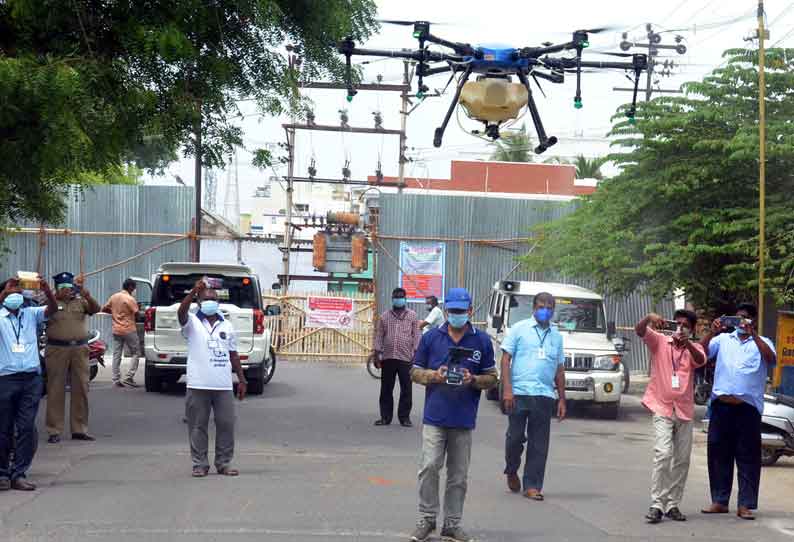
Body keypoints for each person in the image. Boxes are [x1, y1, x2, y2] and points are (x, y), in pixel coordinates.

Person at [409, 288, 497, 542]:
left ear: (470, 311)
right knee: (429, 467)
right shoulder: (431, 338)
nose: (457, 315)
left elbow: (492, 378)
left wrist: (474, 379)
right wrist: (433, 376)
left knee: (458, 475)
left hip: (463, 418)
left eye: (461, 311)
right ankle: (427, 519)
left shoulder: (481, 341)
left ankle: (452, 523)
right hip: (435, 416)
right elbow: (414, 372)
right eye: (453, 311)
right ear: (446, 312)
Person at [700, 303, 776, 520]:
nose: (741, 322)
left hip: (748, 410)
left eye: (745, 318)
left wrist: (755, 335)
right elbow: (700, 353)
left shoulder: (763, 343)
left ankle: (746, 504)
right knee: (718, 455)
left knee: (748, 457)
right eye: (738, 318)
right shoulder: (723, 340)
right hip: (722, 407)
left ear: (753, 321)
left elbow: (771, 360)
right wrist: (711, 332)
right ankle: (720, 501)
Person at [635, 310, 706, 523]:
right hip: (662, 407)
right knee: (663, 454)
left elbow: (701, 360)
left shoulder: (696, 347)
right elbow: (640, 331)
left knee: (682, 460)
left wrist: (689, 344)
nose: (680, 327)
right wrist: (648, 317)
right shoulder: (660, 341)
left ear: (691, 329)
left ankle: (673, 504)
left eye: (685, 325)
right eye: (678, 323)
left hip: (683, 411)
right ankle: (657, 504)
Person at [499, 292, 566, 502]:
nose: (545, 309)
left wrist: (562, 398)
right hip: (519, 392)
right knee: (515, 438)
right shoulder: (519, 329)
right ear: (534, 308)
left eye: (549, 306)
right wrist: (507, 389)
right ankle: (511, 470)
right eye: (541, 305)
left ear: (553, 310)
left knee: (539, 444)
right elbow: (505, 359)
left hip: (544, 394)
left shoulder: (557, 336)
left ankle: (532, 485)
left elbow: (560, 369)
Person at [178, 279, 246, 478]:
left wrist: (242, 379)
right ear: (198, 302)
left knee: (226, 424)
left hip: (223, 384)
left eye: (214, 299)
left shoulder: (227, 325)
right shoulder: (191, 322)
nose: (211, 302)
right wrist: (192, 292)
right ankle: (199, 464)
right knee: (198, 426)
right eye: (206, 299)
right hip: (198, 383)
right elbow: (180, 313)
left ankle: (223, 463)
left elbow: (233, 355)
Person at [0, 277, 57, 490]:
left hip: (31, 379)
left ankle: (19, 473)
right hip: (5, 380)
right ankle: (3, 473)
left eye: (18, 288)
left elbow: (52, 309)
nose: (15, 292)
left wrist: (47, 291)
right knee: (3, 429)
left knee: (25, 427)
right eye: (11, 288)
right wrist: (3, 295)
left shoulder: (31, 314)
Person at [45, 272, 101, 444]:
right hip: (56, 349)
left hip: (79, 348)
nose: (68, 291)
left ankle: (79, 429)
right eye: (63, 288)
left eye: (70, 287)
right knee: (55, 389)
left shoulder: (80, 301)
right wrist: (52, 297)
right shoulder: (50, 303)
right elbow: (42, 314)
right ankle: (54, 430)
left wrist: (88, 296)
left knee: (81, 388)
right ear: (57, 289)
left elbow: (95, 309)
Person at [372, 287, 421, 427]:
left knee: (406, 389)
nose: (398, 299)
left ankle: (404, 418)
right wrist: (376, 354)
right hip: (388, 358)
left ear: (405, 299)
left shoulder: (412, 316)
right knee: (386, 389)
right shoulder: (384, 316)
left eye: (401, 297)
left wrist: (416, 353)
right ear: (392, 299)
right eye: (396, 297)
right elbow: (379, 335)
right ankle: (385, 417)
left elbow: (416, 335)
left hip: (406, 358)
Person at [102, 278, 140, 388]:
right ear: (130, 287)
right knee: (136, 352)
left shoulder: (114, 297)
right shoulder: (130, 299)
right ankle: (129, 377)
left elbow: (104, 309)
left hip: (116, 330)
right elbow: (137, 313)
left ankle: (116, 379)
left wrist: (114, 313)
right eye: (133, 288)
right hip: (129, 329)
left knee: (116, 354)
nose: (134, 290)